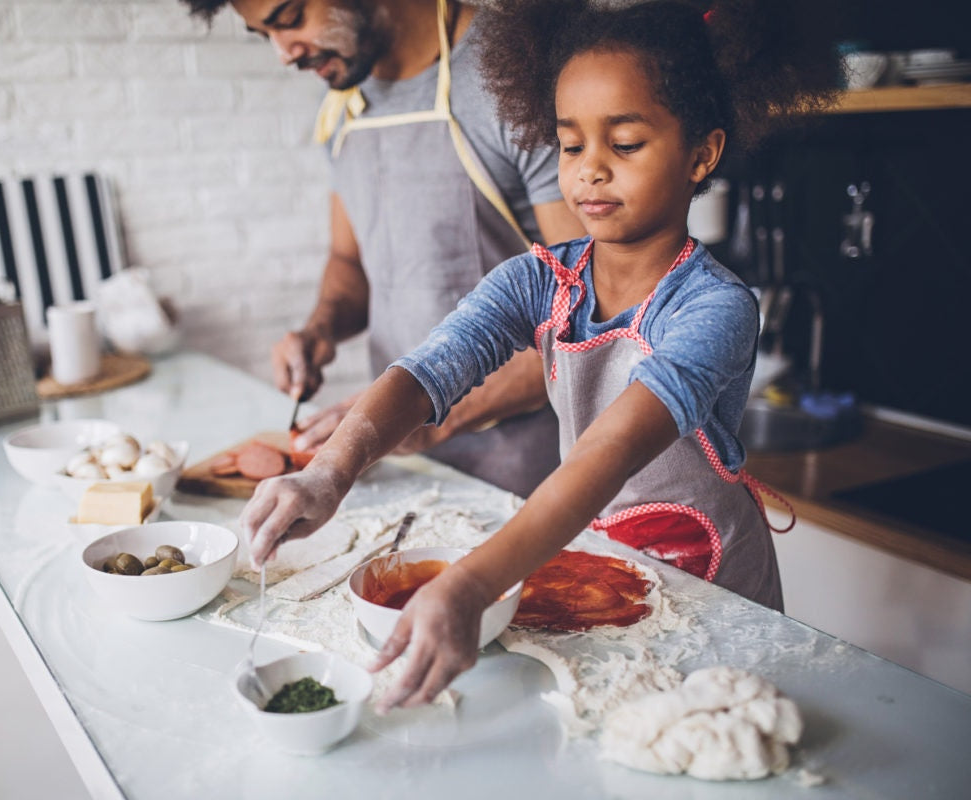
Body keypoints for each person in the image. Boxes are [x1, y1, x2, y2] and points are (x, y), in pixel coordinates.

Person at [240, 0, 839, 712]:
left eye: (625, 143)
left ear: (701, 154)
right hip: (610, 563)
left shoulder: (715, 309)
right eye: (571, 144)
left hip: (715, 583)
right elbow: (429, 368)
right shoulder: (539, 278)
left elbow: (604, 456)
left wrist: (470, 582)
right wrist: (330, 471)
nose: (588, 173)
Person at [178, 0, 585, 497]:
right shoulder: (345, 102)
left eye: (289, 19)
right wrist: (320, 327)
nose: (284, 54)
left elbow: (586, 312)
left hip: (526, 464)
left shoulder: (515, 74)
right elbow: (352, 262)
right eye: (264, 35)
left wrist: (420, 416)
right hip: (400, 456)